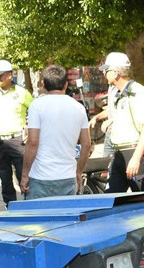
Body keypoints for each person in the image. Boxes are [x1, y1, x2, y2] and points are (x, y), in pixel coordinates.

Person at [21, 65, 91, 198]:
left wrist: (25, 175)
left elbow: (32, 142)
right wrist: (79, 171)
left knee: (37, 218)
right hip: (67, 176)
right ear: (65, 84)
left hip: (40, 177)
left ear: (43, 84)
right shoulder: (79, 107)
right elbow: (86, 145)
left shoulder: (37, 106)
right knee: (65, 218)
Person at [0, 60, 34, 206]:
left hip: (17, 141)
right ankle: (10, 207)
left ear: (10, 75)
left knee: (24, 174)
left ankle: (27, 205)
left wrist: (30, 129)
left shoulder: (22, 93)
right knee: (4, 176)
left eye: (1, 75)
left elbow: (35, 111)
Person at [99, 52, 144, 193]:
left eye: (107, 70)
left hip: (134, 152)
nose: (104, 73)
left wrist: (136, 158)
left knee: (142, 202)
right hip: (120, 152)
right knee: (111, 200)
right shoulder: (121, 93)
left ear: (116, 72)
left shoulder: (137, 92)